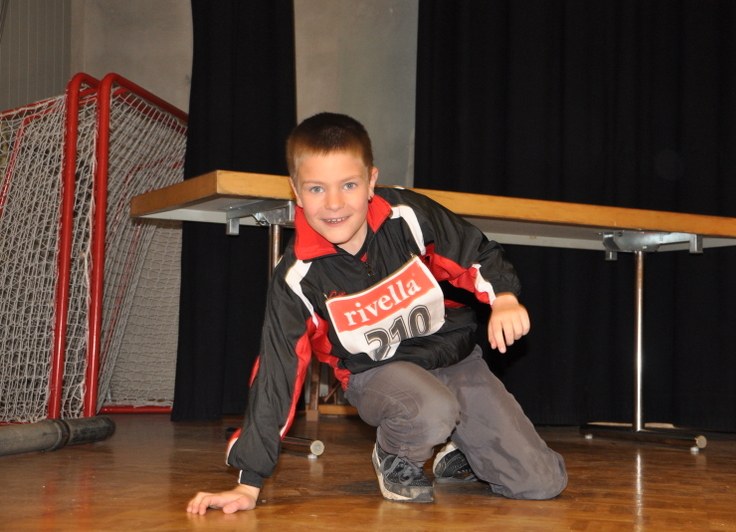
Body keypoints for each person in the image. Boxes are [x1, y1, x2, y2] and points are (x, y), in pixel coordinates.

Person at [187, 112, 567, 514]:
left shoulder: (408, 215)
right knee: (430, 408)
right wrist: (248, 483)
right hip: (377, 375)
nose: (334, 203)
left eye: (348, 185)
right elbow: (277, 373)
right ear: (296, 191)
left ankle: (458, 451)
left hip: (452, 358)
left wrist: (503, 296)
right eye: (316, 189)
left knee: (541, 482)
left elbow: (474, 250)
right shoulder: (296, 279)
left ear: (371, 182)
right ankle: (396, 456)